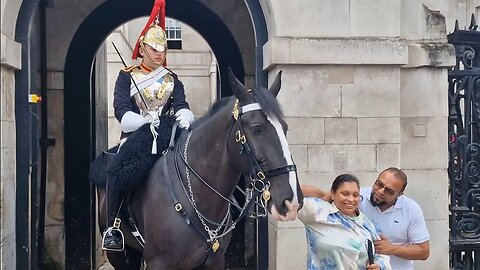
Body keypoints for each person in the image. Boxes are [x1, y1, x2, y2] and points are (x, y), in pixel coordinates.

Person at [102, 0, 194, 251]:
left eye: (162, 50)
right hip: (135, 136)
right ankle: (114, 226)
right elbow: (121, 110)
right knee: (118, 169)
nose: (159, 54)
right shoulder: (126, 75)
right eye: (154, 49)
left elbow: (181, 103)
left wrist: (185, 115)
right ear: (142, 48)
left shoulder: (171, 78)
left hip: (166, 135)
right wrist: (143, 121)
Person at [302, 167, 430, 269]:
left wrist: (391, 249)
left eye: (389, 191)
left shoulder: (411, 209)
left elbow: (424, 252)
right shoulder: (357, 196)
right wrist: (320, 194)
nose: (380, 191)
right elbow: (327, 197)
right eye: (379, 184)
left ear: (399, 195)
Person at [298, 174, 392, 270]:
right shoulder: (318, 212)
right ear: (333, 193)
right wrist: (323, 195)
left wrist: (379, 266)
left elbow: (381, 254)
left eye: (355, 195)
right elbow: (291, 191)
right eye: (345, 194)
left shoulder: (366, 223)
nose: (351, 199)